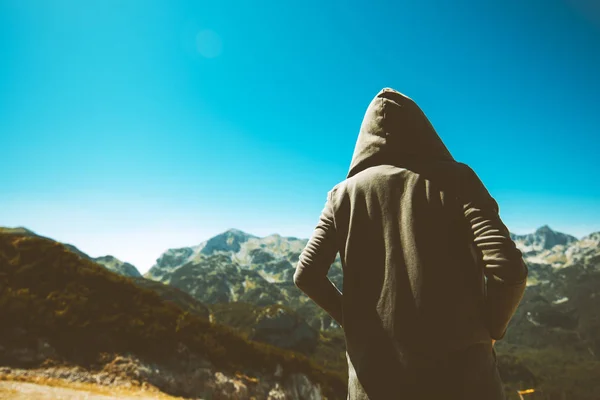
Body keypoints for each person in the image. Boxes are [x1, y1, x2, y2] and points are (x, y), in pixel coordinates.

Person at [293, 88, 528, 400]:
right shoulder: (457, 179)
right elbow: (509, 271)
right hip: (462, 383)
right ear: (423, 130)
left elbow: (306, 275)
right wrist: (490, 330)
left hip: (373, 386)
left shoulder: (342, 195)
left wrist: (356, 324)